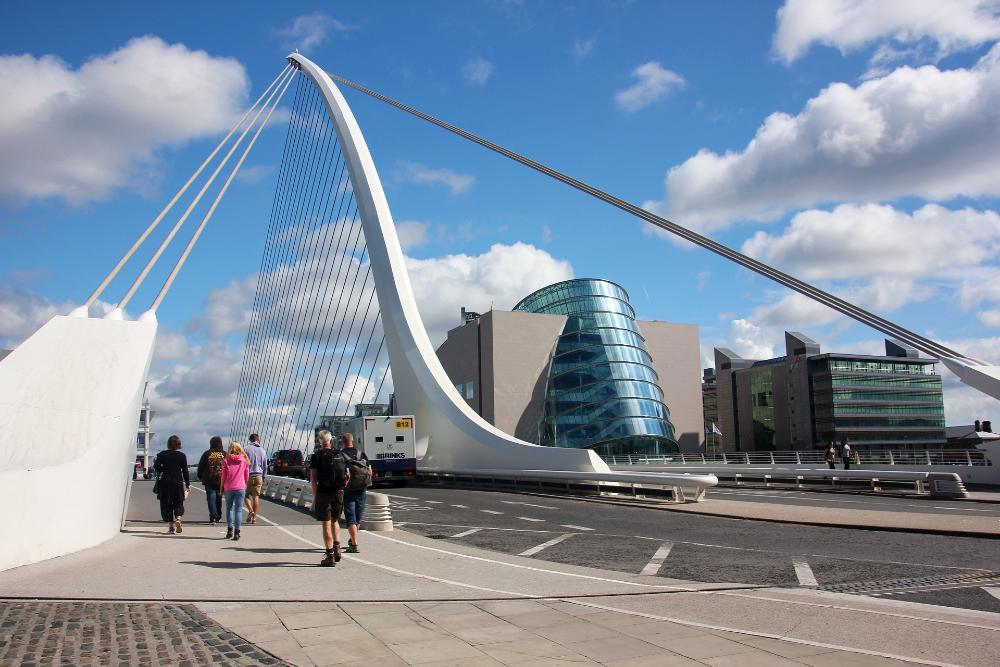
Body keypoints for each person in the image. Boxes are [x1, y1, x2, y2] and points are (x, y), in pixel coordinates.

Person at [309, 430, 347, 567]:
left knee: (326, 523)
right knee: (335, 521)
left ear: (320, 441)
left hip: (323, 493)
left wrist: (315, 494)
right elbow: (347, 474)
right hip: (338, 492)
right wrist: (341, 488)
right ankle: (338, 549)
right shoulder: (339, 454)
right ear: (331, 440)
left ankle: (329, 555)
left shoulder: (316, 456)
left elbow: (313, 477)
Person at [340, 432, 372, 554]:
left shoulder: (341, 455)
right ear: (352, 441)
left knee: (350, 518)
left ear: (342, 442)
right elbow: (370, 471)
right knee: (358, 517)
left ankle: (354, 544)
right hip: (362, 489)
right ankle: (353, 539)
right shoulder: (361, 453)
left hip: (348, 490)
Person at [153, 435, 190, 534]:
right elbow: (185, 471)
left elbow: (156, 466)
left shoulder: (162, 454)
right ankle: (178, 519)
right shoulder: (182, 456)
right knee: (178, 501)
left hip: (166, 481)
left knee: (166, 503)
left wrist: (163, 469)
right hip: (178, 481)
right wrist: (188, 484)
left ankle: (171, 527)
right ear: (178, 445)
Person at [221, 442, 250, 540]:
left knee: (229, 509)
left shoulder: (226, 461)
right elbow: (247, 475)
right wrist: (244, 483)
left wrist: (221, 488)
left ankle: (229, 530)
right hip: (240, 487)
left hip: (228, 488)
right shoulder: (244, 460)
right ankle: (237, 532)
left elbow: (223, 476)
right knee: (238, 510)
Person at [196, 436, 226, 524]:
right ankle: (219, 516)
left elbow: (201, 466)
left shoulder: (207, 453)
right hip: (221, 479)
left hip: (209, 478)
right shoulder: (224, 454)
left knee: (211, 497)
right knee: (219, 497)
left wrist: (200, 476)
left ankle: (213, 516)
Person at [243, 433, 268, 525]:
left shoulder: (245, 449)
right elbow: (265, 466)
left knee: (245, 495)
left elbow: (243, 463)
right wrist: (264, 476)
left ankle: (250, 510)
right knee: (256, 496)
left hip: (248, 475)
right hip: (259, 475)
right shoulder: (263, 450)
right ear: (258, 439)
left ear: (250, 440)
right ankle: (254, 518)